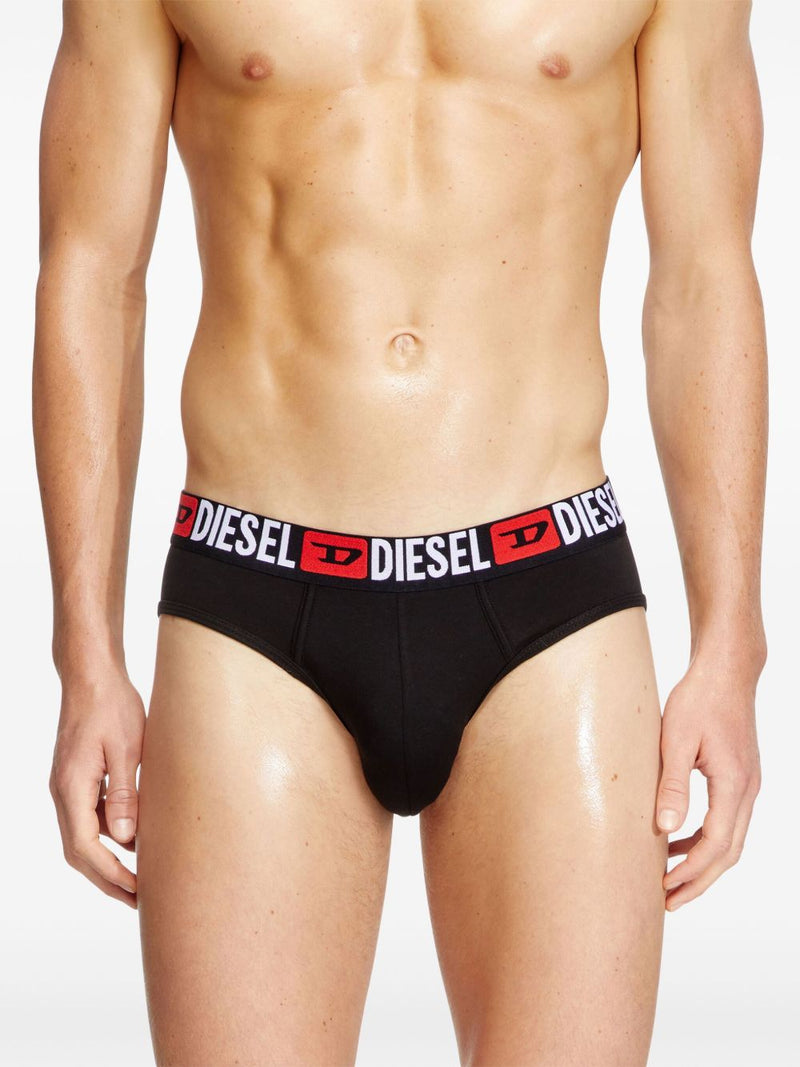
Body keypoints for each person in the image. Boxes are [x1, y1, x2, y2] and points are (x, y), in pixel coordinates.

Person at [33, 1, 767, 1064]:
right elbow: (92, 272)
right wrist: (85, 656)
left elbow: (704, 275)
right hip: (256, 596)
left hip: (548, 596)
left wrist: (731, 641)